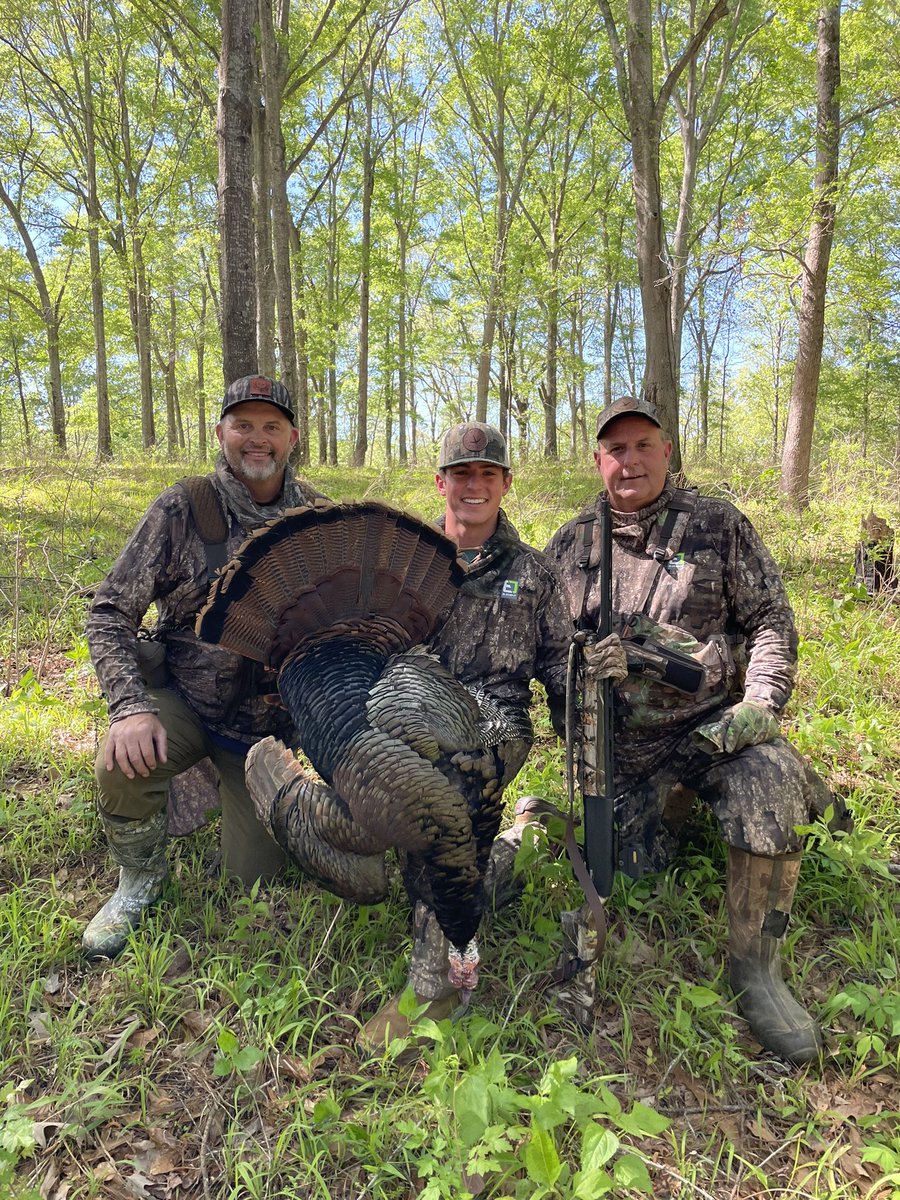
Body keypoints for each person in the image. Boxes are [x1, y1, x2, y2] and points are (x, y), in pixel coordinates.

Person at [545, 395, 850, 1066]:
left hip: (712, 733)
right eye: (615, 449)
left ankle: (758, 967)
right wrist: (573, 667)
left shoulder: (716, 524)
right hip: (624, 757)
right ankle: (688, 810)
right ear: (599, 460)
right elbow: (540, 647)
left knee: (764, 785)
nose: (629, 460)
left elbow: (770, 616)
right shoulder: (569, 545)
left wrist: (761, 703)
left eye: (642, 445)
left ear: (667, 452)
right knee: (632, 876)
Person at [83, 375, 327, 960]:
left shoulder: (319, 517)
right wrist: (129, 707)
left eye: (271, 427)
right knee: (123, 760)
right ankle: (138, 882)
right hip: (189, 705)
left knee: (254, 891)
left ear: (292, 438)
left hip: (265, 736)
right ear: (221, 433)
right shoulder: (183, 508)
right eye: (243, 425)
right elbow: (110, 611)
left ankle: (237, 797)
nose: (257, 439)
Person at [360, 421, 572, 1046]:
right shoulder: (404, 561)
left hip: (494, 723)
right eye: (461, 474)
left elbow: (559, 664)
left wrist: (582, 713)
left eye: (487, 474)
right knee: (377, 857)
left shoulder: (534, 572)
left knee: (441, 807)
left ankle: (438, 985)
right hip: (406, 712)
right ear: (441, 482)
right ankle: (527, 837)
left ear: (505, 482)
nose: (473, 486)